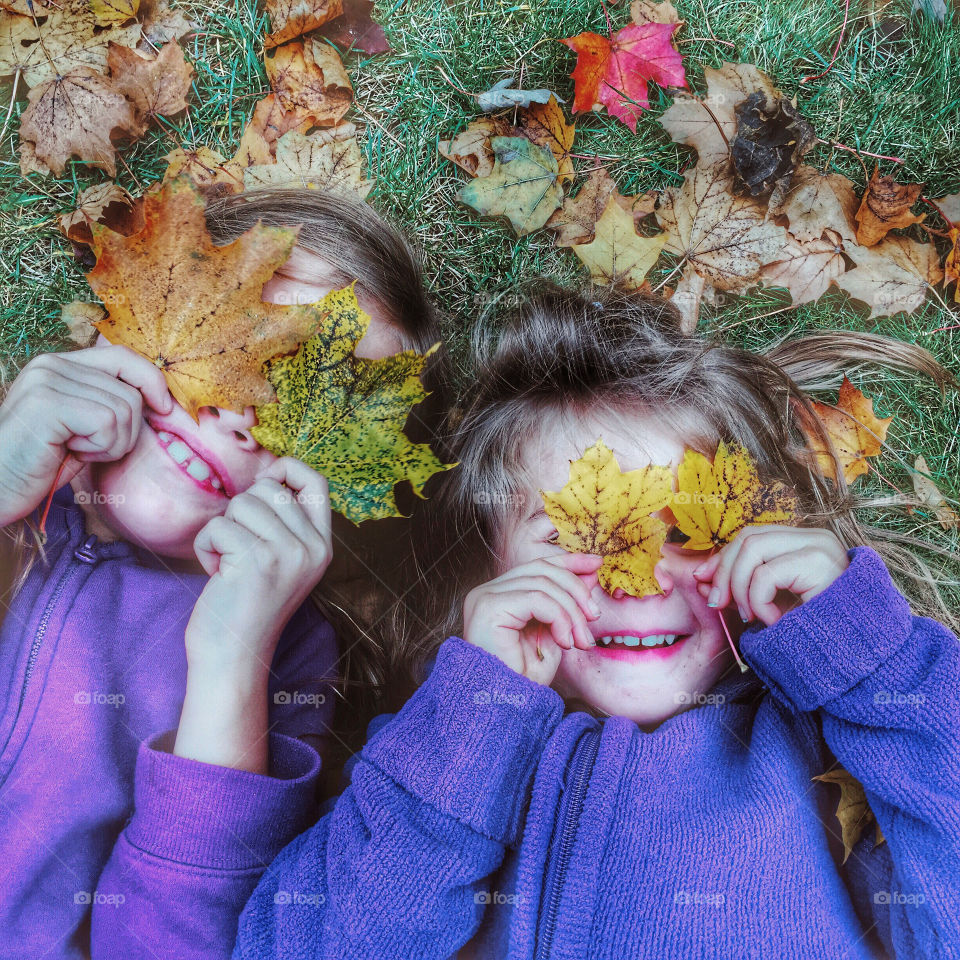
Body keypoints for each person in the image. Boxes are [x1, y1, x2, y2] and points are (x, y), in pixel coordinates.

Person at [231, 282, 960, 959]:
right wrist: (472, 716)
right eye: (577, 536)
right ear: (489, 567)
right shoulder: (443, 748)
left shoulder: (827, 748)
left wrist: (869, 660)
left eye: (683, 533)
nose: (637, 580)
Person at [0, 185, 447, 960]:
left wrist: (233, 662)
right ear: (147, 304)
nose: (245, 415)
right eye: (246, 346)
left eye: (314, 411)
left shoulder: (283, 659)